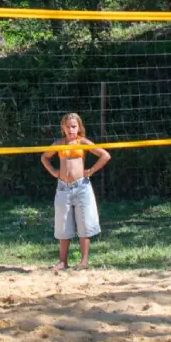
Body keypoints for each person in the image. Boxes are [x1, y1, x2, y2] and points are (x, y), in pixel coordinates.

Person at [40, 112, 111, 271]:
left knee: (84, 224)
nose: (71, 130)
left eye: (74, 126)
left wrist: (91, 170)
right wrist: (53, 171)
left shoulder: (83, 142)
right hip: (63, 188)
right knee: (63, 224)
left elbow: (105, 155)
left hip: (81, 187)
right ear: (63, 128)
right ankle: (62, 261)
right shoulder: (59, 143)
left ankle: (83, 262)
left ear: (79, 127)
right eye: (68, 127)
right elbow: (44, 158)